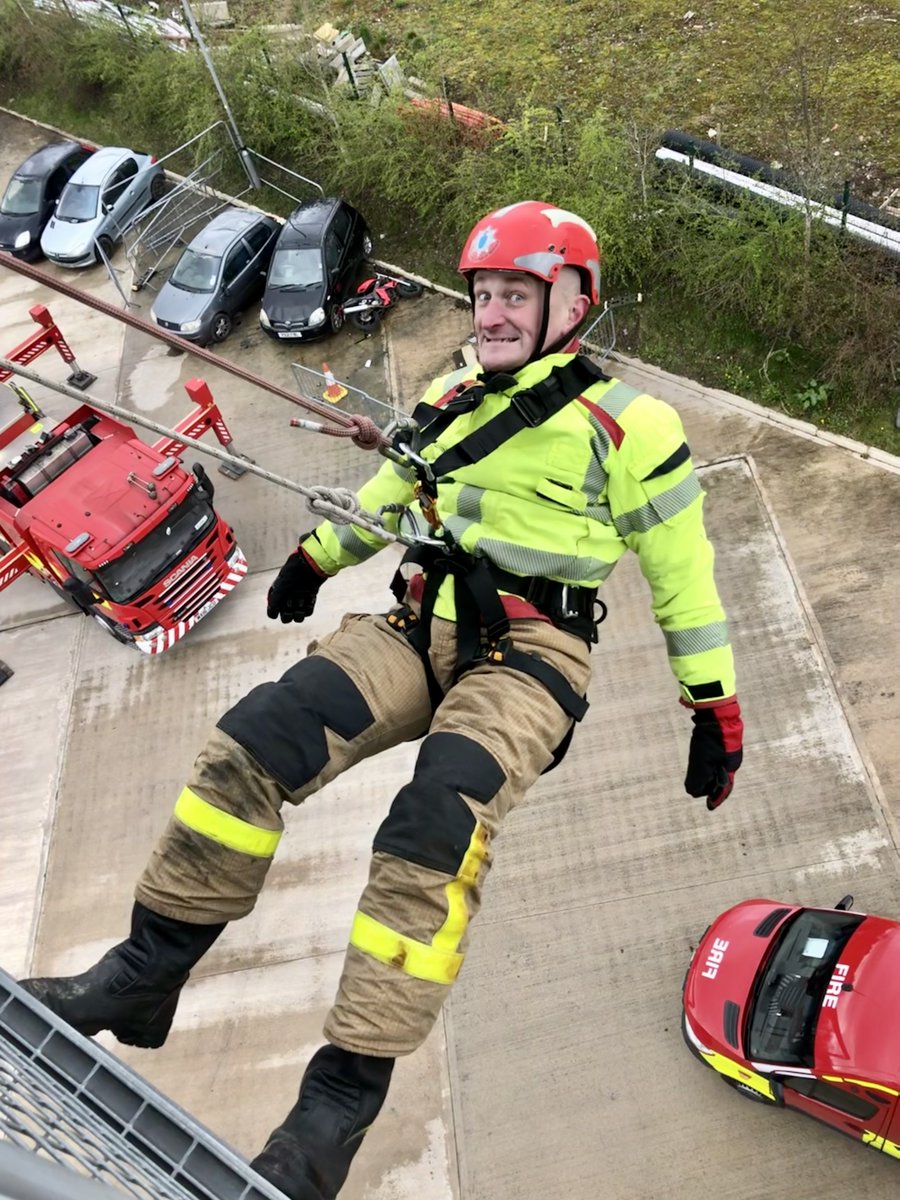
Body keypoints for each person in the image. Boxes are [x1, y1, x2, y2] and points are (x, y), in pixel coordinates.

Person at [20, 201, 743, 1200]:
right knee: (248, 748)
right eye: (482, 294)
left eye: (514, 296)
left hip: (532, 657)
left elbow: (685, 577)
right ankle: (143, 974)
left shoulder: (632, 426)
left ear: (575, 301)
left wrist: (714, 706)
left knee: (430, 831)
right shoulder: (453, 389)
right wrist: (319, 558)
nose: (489, 314)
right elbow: (397, 497)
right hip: (419, 623)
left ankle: (335, 1110)